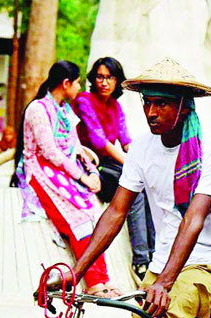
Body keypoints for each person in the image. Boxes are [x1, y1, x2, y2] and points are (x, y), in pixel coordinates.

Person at [48, 57, 211, 318]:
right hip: (163, 264)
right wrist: (76, 272)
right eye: (147, 103)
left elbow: (193, 219)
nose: (151, 112)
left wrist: (164, 283)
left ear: (183, 107)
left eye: (162, 104)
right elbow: (116, 212)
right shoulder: (141, 147)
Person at [12, 60, 120, 298]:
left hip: (64, 170)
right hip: (41, 170)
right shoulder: (38, 109)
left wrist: (92, 172)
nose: (79, 88)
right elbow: (50, 152)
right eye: (77, 83)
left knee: (92, 214)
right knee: (76, 217)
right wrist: (82, 176)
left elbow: (76, 147)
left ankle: (103, 278)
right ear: (66, 83)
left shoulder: (65, 111)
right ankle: (93, 281)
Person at [71, 57, 155, 280]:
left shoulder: (115, 106)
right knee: (134, 191)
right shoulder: (84, 100)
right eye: (100, 77)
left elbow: (126, 140)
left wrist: (144, 162)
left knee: (148, 187)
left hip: (110, 163)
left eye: (109, 77)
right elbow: (99, 141)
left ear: (117, 81)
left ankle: (155, 254)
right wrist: (133, 165)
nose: (104, 82)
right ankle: (141, 261)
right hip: (88, 164)